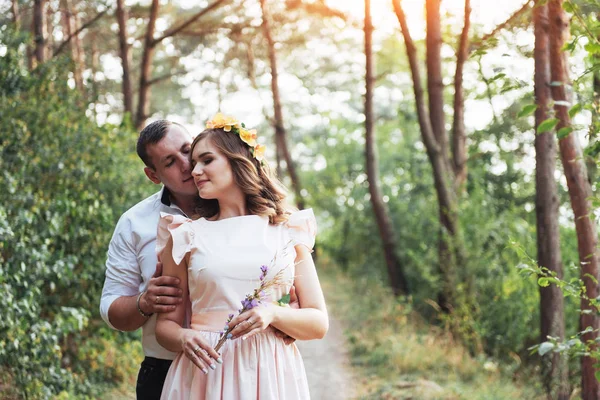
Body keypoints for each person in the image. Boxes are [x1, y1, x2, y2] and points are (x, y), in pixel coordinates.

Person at [155, 113, 329, 399]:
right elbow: (165, 327)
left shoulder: (287, 230)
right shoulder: (185, 235)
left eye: (207, 160)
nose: (195, 171)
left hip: (271, 375)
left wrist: (272, 313)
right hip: (205, 374)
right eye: (194, 162)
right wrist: (184, 337)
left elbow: (318, 323)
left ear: (238, 161)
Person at [100, 120, 198, 399]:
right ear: (152, 175)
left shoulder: (237, 207)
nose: (186, 164)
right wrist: (144, 302)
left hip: (234, 366)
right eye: (170, 161)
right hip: (164, 370)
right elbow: (110, 306)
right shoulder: (134, 223)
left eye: (187, 150)